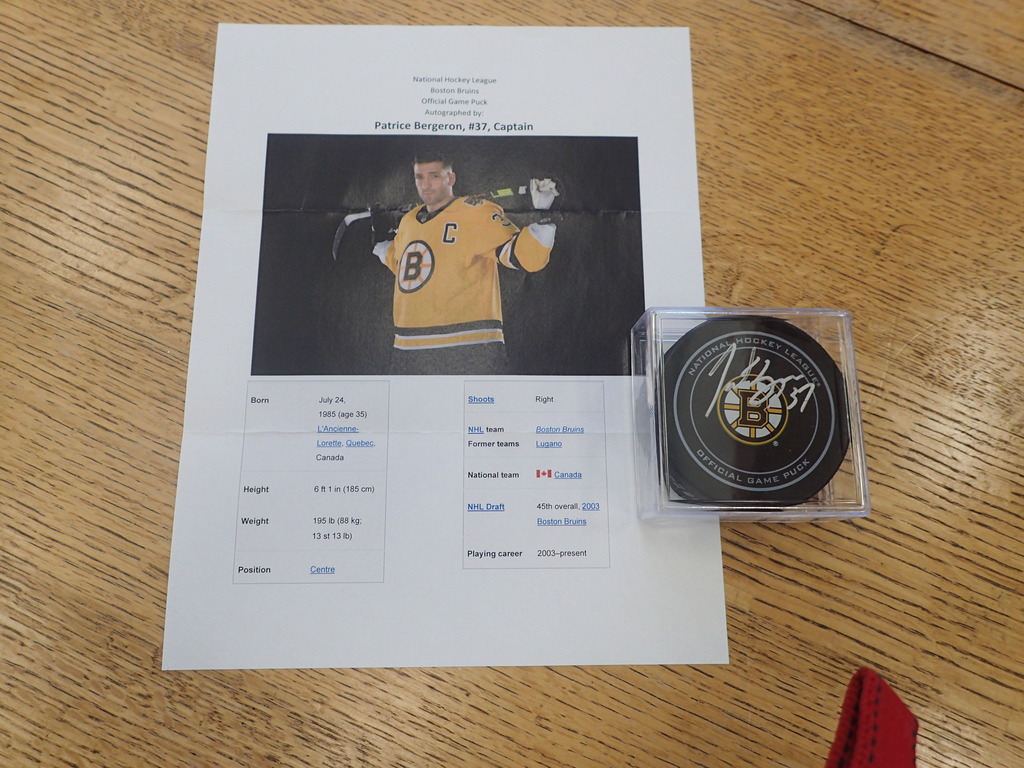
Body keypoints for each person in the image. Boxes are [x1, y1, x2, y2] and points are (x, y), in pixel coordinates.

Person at [372, 151, 556, 374]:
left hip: (470, 346)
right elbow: (407, 269)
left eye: (434, 176)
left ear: (451, 178)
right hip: (409, 349)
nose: (426, 185)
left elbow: (524, 257)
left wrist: (543, 216)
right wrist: (382, 242)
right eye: (419, 177)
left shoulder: (476, 213)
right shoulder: (409, 221)